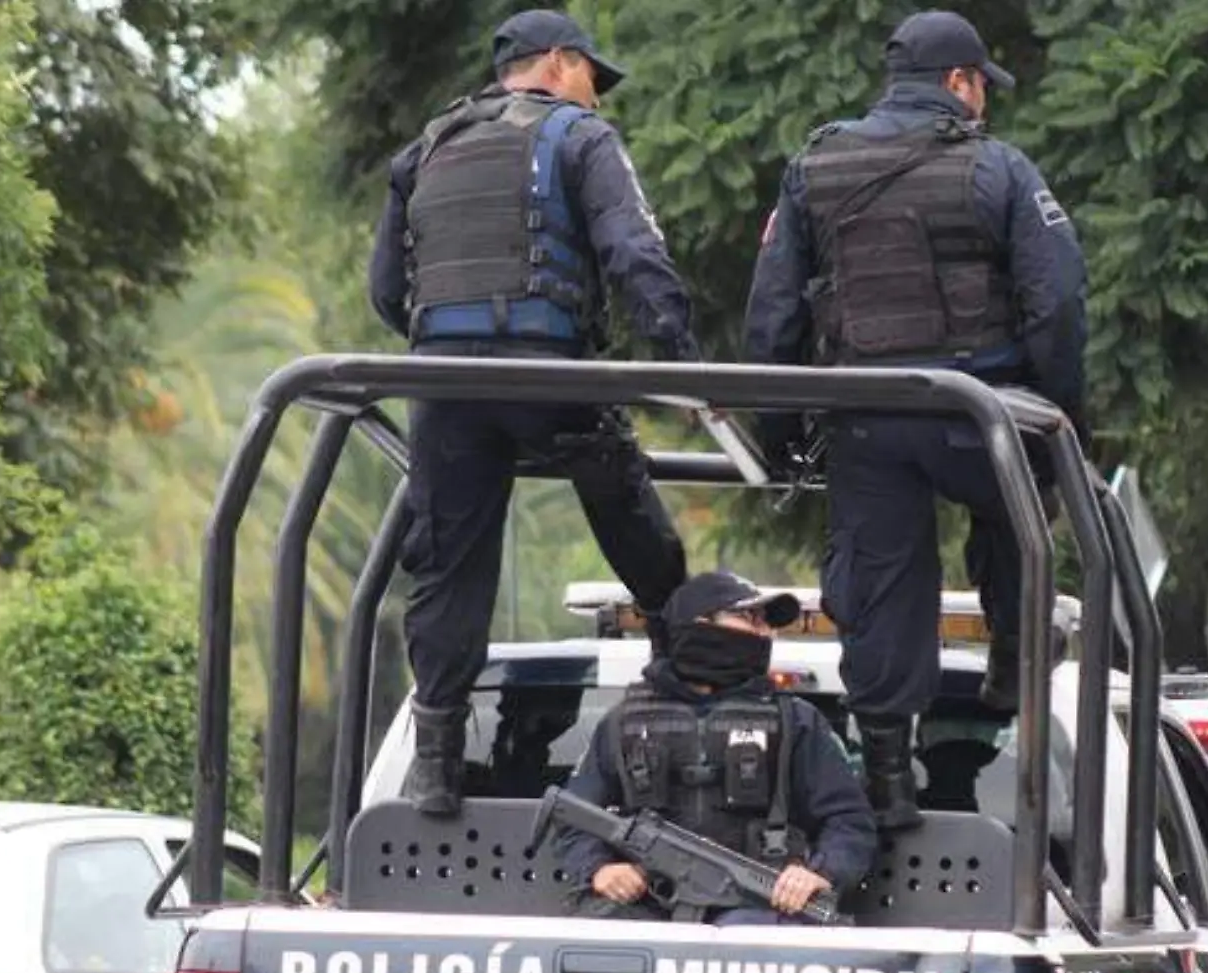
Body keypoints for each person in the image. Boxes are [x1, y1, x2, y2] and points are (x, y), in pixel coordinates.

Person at [740, 10, 1088, 829]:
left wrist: (780, 431)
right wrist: (1058, 417)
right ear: (960, 85)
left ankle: (889, 779)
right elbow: (1059, 302)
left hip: (869, 415)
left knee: (884, 584)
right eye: (982, 89)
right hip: (983, 413)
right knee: (1018, 519)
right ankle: (1010, 658)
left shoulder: (814, 166)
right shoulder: (999, 169)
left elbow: (773, 315)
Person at [368, 9, 703, 817]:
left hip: (445, 390)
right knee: (624, 503)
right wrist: (687, 365)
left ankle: (438, 763)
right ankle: (680, 672)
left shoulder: (427, 147)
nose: (597, 97)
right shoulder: (582, 139)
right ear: (556, 63)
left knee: (448, 563)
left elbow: (387, 294)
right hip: (548, 372)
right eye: (593, 76)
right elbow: (634, 253)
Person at [554, 572, 878, 925]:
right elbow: (574, 816)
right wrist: (599, 868)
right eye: (747, 618)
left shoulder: (795, 721)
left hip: (759, 910)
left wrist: (821, 873)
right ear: (698, 625)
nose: (764, 632)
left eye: (765, 622)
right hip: (646, 908)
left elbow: (849, 820)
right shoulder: (623, 722)